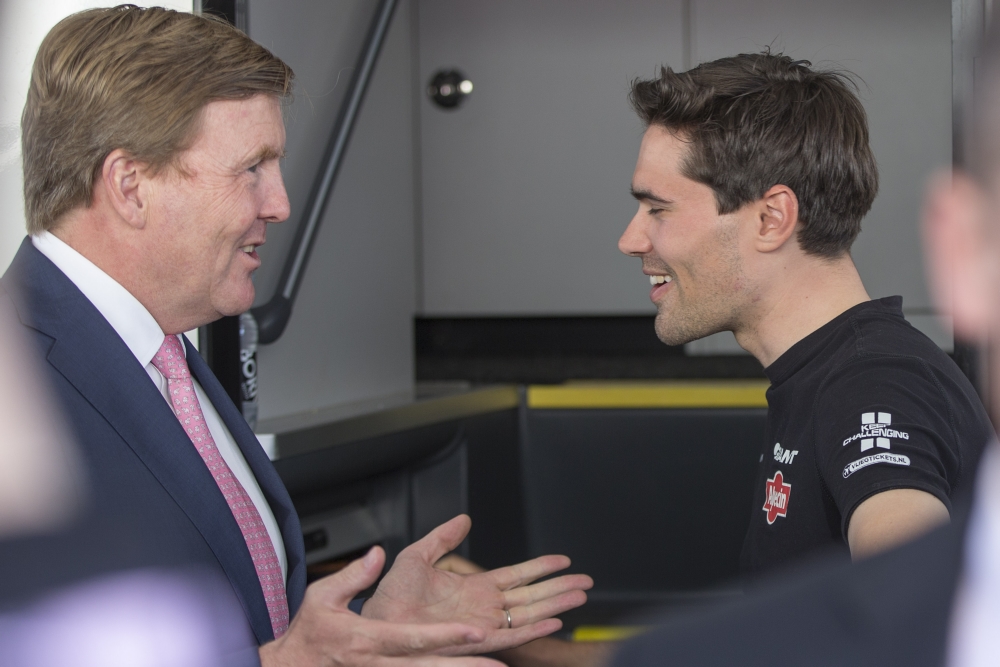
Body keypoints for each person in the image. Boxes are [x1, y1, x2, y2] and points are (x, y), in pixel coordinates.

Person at [0, 7, 592, 666]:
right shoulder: (14, 386)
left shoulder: (167, 355)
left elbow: (251, 625)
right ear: (130, 185)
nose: (280, 204)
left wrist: (372, 631)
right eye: (252, 167)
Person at [610, 22, 1000, 666]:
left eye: (657, 208)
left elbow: (903, 610)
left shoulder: (874, 384)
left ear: (771, 218)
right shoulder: (835, 371)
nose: (631, 239)